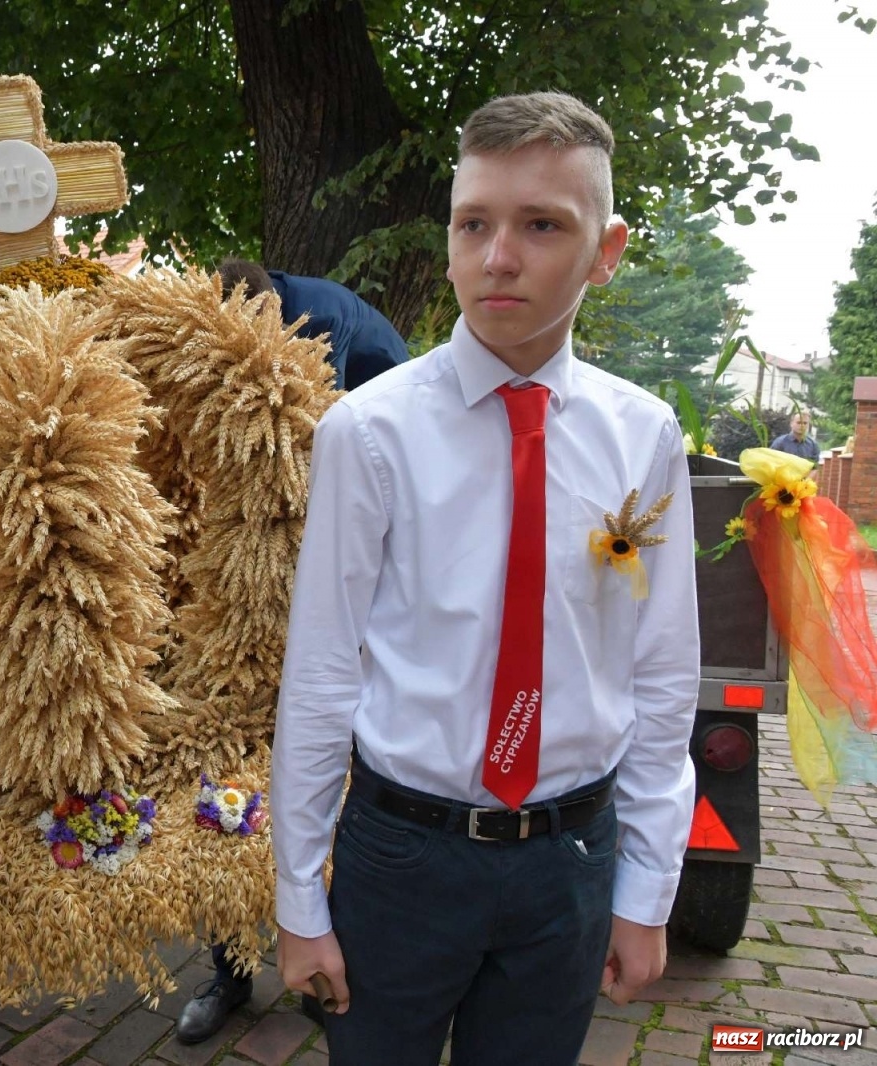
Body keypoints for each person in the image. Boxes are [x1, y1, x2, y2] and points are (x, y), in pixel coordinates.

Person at [271, 91, 699, 1065]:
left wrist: (645, 889)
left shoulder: (642, 436)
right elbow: (323, 670)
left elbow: (662, 671)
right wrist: (299, 899)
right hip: (401, 856)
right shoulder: (368, 433)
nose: (497, 257)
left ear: (606, 250)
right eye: (474, 224)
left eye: (541, 225)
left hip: (569, 859)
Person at [170, 260, 412, 1047]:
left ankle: (319, 963)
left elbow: (319, 444)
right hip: (240, 583)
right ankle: (230, 973)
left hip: (332, 557)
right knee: (227, 775)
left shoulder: (326, 322)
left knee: (325, 779)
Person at [215, 259, 409, 391]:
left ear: (265, 301)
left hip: (384, 372)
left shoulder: (322, 318)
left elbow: (328, 394)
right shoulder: (269, 286)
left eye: (254, 320)